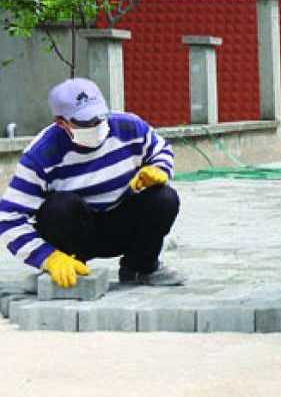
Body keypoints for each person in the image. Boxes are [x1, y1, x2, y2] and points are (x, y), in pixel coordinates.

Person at [0, 79, 183, 288]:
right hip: (76, 231)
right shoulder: (41, 155)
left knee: (164, 197)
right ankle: (70, 268)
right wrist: (48, 257)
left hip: (122, 223)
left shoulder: (129, 126)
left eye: (100, 117)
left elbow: (161, 151)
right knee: (59, 206)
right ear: (62, 122)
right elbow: (9, 218)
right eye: (86, 123)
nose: (96, 125)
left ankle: (140, 267)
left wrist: (159, 169)